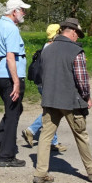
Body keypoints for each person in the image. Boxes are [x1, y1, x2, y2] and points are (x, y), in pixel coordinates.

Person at [32, 18, 92, 183]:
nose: (78, 38)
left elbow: (42, 75)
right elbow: (82, 80)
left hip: (49, 99)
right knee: (81, 135)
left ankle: (40, 173)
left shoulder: (47, 50)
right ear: (73, 32)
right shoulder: (76, 51)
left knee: (45, 136)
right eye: (78, 34)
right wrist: (87, 96)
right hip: (71, 101)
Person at [0, 0, 30, 167]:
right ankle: (7, 155)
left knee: (16, 110)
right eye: (22, 10)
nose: (24, 13)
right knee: (13, 115)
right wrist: (16, 82)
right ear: (14, 11)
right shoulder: (11, 29)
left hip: (0, 75)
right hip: (10, 75)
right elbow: (11, 57)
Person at [21, 23, 65, 153]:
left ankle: (53, 142)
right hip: (48, 84)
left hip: (42, 83)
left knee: (52, 110)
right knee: (51, 112)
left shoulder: (47, 45)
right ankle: (31, 130)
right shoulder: (54, 48)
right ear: (57, 33)